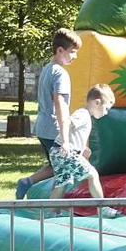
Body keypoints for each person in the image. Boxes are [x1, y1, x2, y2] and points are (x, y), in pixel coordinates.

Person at [15, 28, 82, 199]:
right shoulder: (61, 74)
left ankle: (27, 182)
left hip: (43, 127)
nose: (75, 57)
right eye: (72, 52)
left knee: (55, 166)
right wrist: (65, 139)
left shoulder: (47, 68)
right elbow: (59, 104)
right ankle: (55, 207)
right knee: (64, 171)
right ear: (60, 50)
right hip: (54, 129)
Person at [46, 84, 117, 217]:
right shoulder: (83, 114)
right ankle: (102, 207)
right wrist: (66, 143)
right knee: (92, 175)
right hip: (67, 152)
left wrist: (83, 147)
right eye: (106, 108)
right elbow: (66, 123)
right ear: (97, 102)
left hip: (57, 151)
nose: (106, 113)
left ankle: (52, 213)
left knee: (62, 182)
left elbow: (75, 133)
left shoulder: (85, 115)